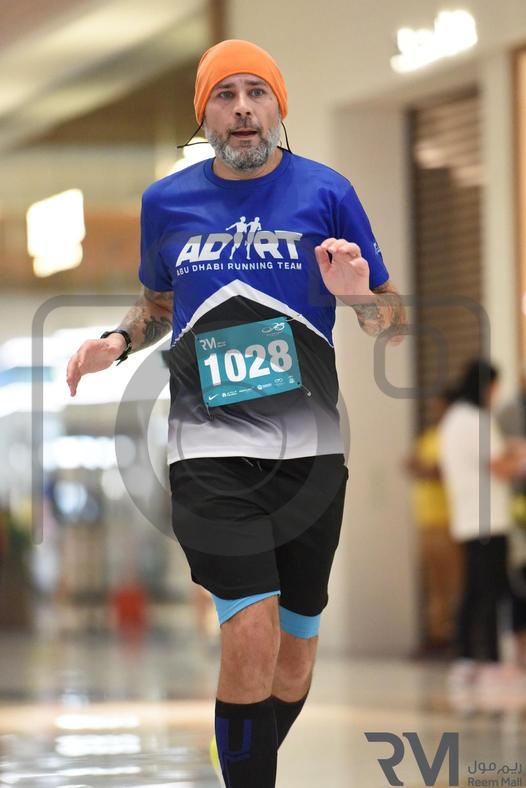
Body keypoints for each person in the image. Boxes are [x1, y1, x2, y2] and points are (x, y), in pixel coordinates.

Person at [66, 39, 406, 788]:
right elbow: (160, 303)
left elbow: (393, 319)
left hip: (311, 456)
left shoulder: (328, 192)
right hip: (207, 452)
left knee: (293, 655)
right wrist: (116, 341)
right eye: (226, 95)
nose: (243, 108)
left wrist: (360, 298)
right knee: (249, 631)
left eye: (257, 92)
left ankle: (247, 764)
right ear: (206, 113)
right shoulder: (167, 202)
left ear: (279, 106)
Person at [440, 359, 526, 688]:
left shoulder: (454, 419)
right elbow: (498, 466)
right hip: (488, 519)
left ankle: (466, 656)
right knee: (490, 591)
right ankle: (489, 659)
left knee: (475, 590)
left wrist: (512, 450)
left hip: (468, 518)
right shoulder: (476, 420)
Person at [405, 389, 460, 656]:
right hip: (427, 522)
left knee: (454, 582)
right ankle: (438, 637)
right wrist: (423, 468)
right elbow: (411, 464)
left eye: (439, 405)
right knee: (434, 584)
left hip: (448, 521)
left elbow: (442, 470)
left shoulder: (454, 436)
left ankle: (457, 638)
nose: (435, 411)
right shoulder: (430, 437)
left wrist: (424, 469)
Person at [497, 370, 526, 667]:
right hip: (517, 506)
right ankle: (520, 645)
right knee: (519, 578)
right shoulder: (508, 412)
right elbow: (501, 454)